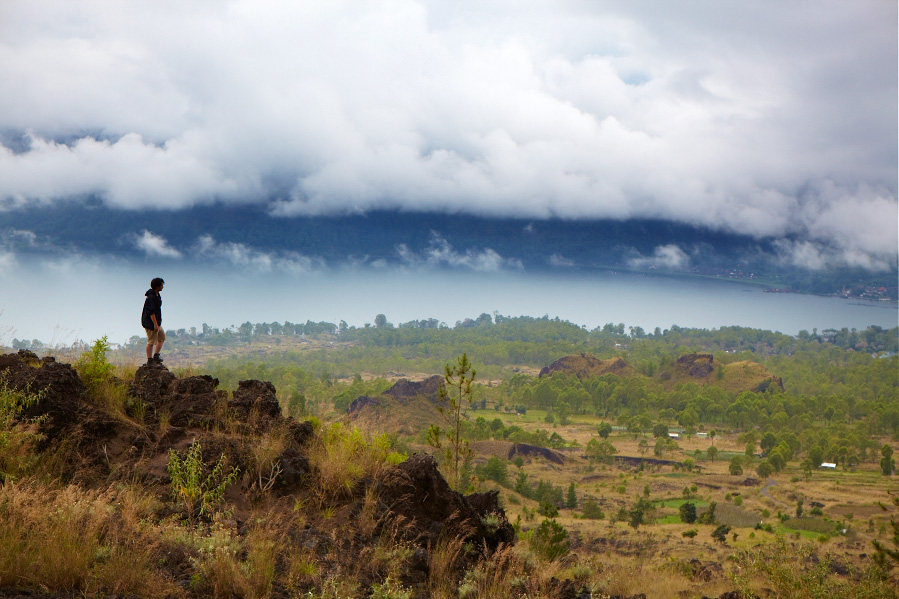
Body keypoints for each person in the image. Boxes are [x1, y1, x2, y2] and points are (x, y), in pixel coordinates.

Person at [141, 277, 166, 365]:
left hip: (157, 322)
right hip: (150, 322)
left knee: (162, 337)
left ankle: (156, 355)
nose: (163, 286)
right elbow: (151, 312)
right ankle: (149, 360)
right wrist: (155, 324)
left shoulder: (157, 295)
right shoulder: (151, 297)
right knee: (151, 341)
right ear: (157, 286)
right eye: (162, 285)